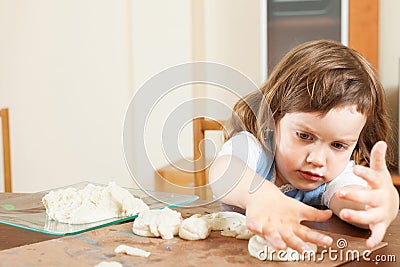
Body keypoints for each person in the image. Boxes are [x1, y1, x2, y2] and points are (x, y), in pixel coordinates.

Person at [209, 39, 399, 253]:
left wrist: (383, 205)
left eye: (338, 145)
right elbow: (223, 171)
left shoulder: (334, 177)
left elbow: (355, 205)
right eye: (304, 136)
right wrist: (259, 195)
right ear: (275, 116)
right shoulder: (254, 148)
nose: (317, 160)